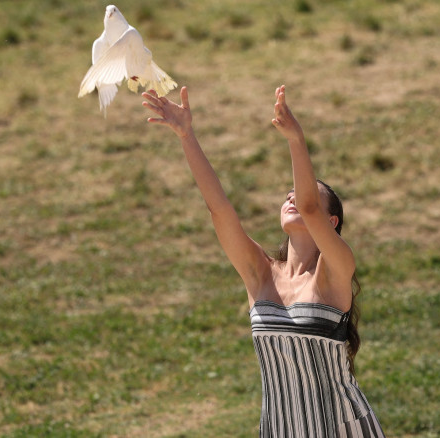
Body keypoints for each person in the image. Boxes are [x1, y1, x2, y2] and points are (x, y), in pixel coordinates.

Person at [142, 85, 385, 438]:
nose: (292, 199)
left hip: (342, 429)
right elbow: (219, 210)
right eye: (287, 196)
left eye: (300, 195)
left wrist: (295, 141)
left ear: (331, 223)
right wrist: (186, 136)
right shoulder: (260, 273)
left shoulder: (335, 270)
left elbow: (309, 207)